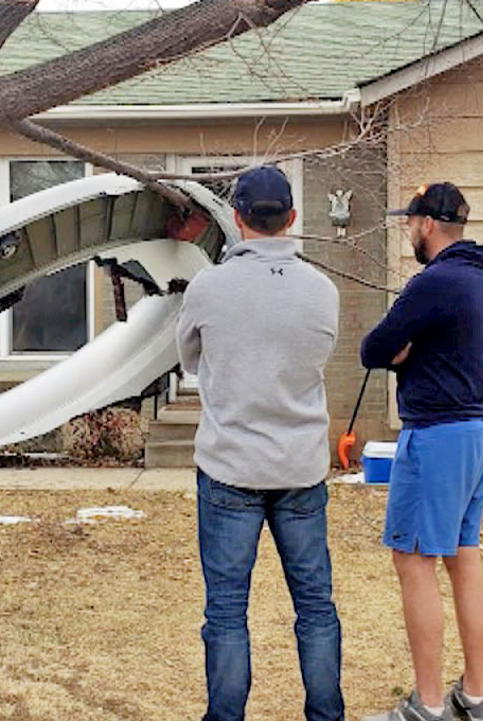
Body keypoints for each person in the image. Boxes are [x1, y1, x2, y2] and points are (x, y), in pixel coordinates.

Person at [176, 165, 345, 721]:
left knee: (226, 611)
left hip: (229, 466)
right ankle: (326, 714)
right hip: (300, 467)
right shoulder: (323, 291)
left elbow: (191, 360)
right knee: (316, 608)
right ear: (291, 218)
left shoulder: (208, 287)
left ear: (238, 219)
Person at [358, 183, 483, 721]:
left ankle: (429, 705)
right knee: (463, 558)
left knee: (413, 560)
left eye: (410, 223)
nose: (407, 232)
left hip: (437, 435)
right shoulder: (481, 280)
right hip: (479, 431)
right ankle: (476, 696)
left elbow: (372, 349)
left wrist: (401, 355)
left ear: (427, 224)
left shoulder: (433, 282)